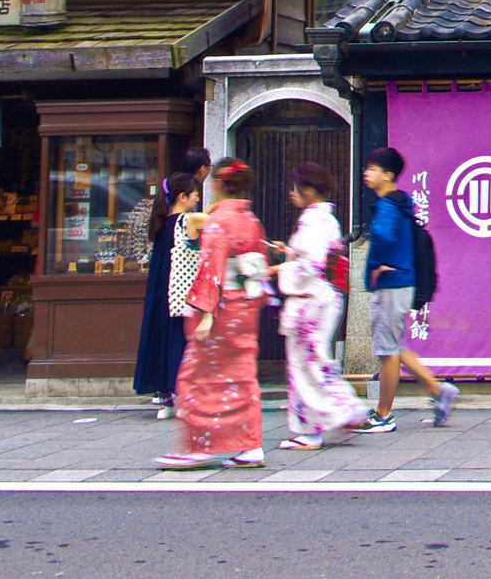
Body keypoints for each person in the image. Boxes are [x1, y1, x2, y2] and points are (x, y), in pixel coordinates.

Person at [152, 159, 271, 470]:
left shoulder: (219, 222)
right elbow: (258, 267)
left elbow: (211, 269)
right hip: (246, 305)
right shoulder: (250, 220)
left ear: (217, 183)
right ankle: (249, 446)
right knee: (242, 377)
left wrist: (206, 315)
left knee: (197, 376)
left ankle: (199, 446)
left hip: (221, 309)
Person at [347, 147, 458, 434]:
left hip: (391, 285)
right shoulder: (401, 204)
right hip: (402, 283)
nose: (366, 173)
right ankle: (438, 390)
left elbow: (383, 237)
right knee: (394, 346)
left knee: (387, 351)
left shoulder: (387, 206)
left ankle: (383, 414)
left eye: (372, 169)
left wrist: (378, 266)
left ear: (388, 175)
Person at [271, 163, 368, 450]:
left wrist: (279, 269)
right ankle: (340, 409)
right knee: (315, 362)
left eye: (296, 188)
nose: (293, 193)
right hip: (323, 298)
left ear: (308, 190)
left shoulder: (312, 221)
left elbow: (309, 266)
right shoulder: (327, 220)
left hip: (309, 300)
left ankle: (322, 421)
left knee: (305, 366)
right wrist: (288, 252)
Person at [132, 167, 206, 411]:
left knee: (163, 336)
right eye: (194, 194)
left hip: (163, 288)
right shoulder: (188, 219)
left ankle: (163, 394)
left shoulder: (162, 222)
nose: (197, 199)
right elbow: (221, 222)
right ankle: (182, 392)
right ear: (182, 197)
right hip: (181, 290)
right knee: (179, 338)